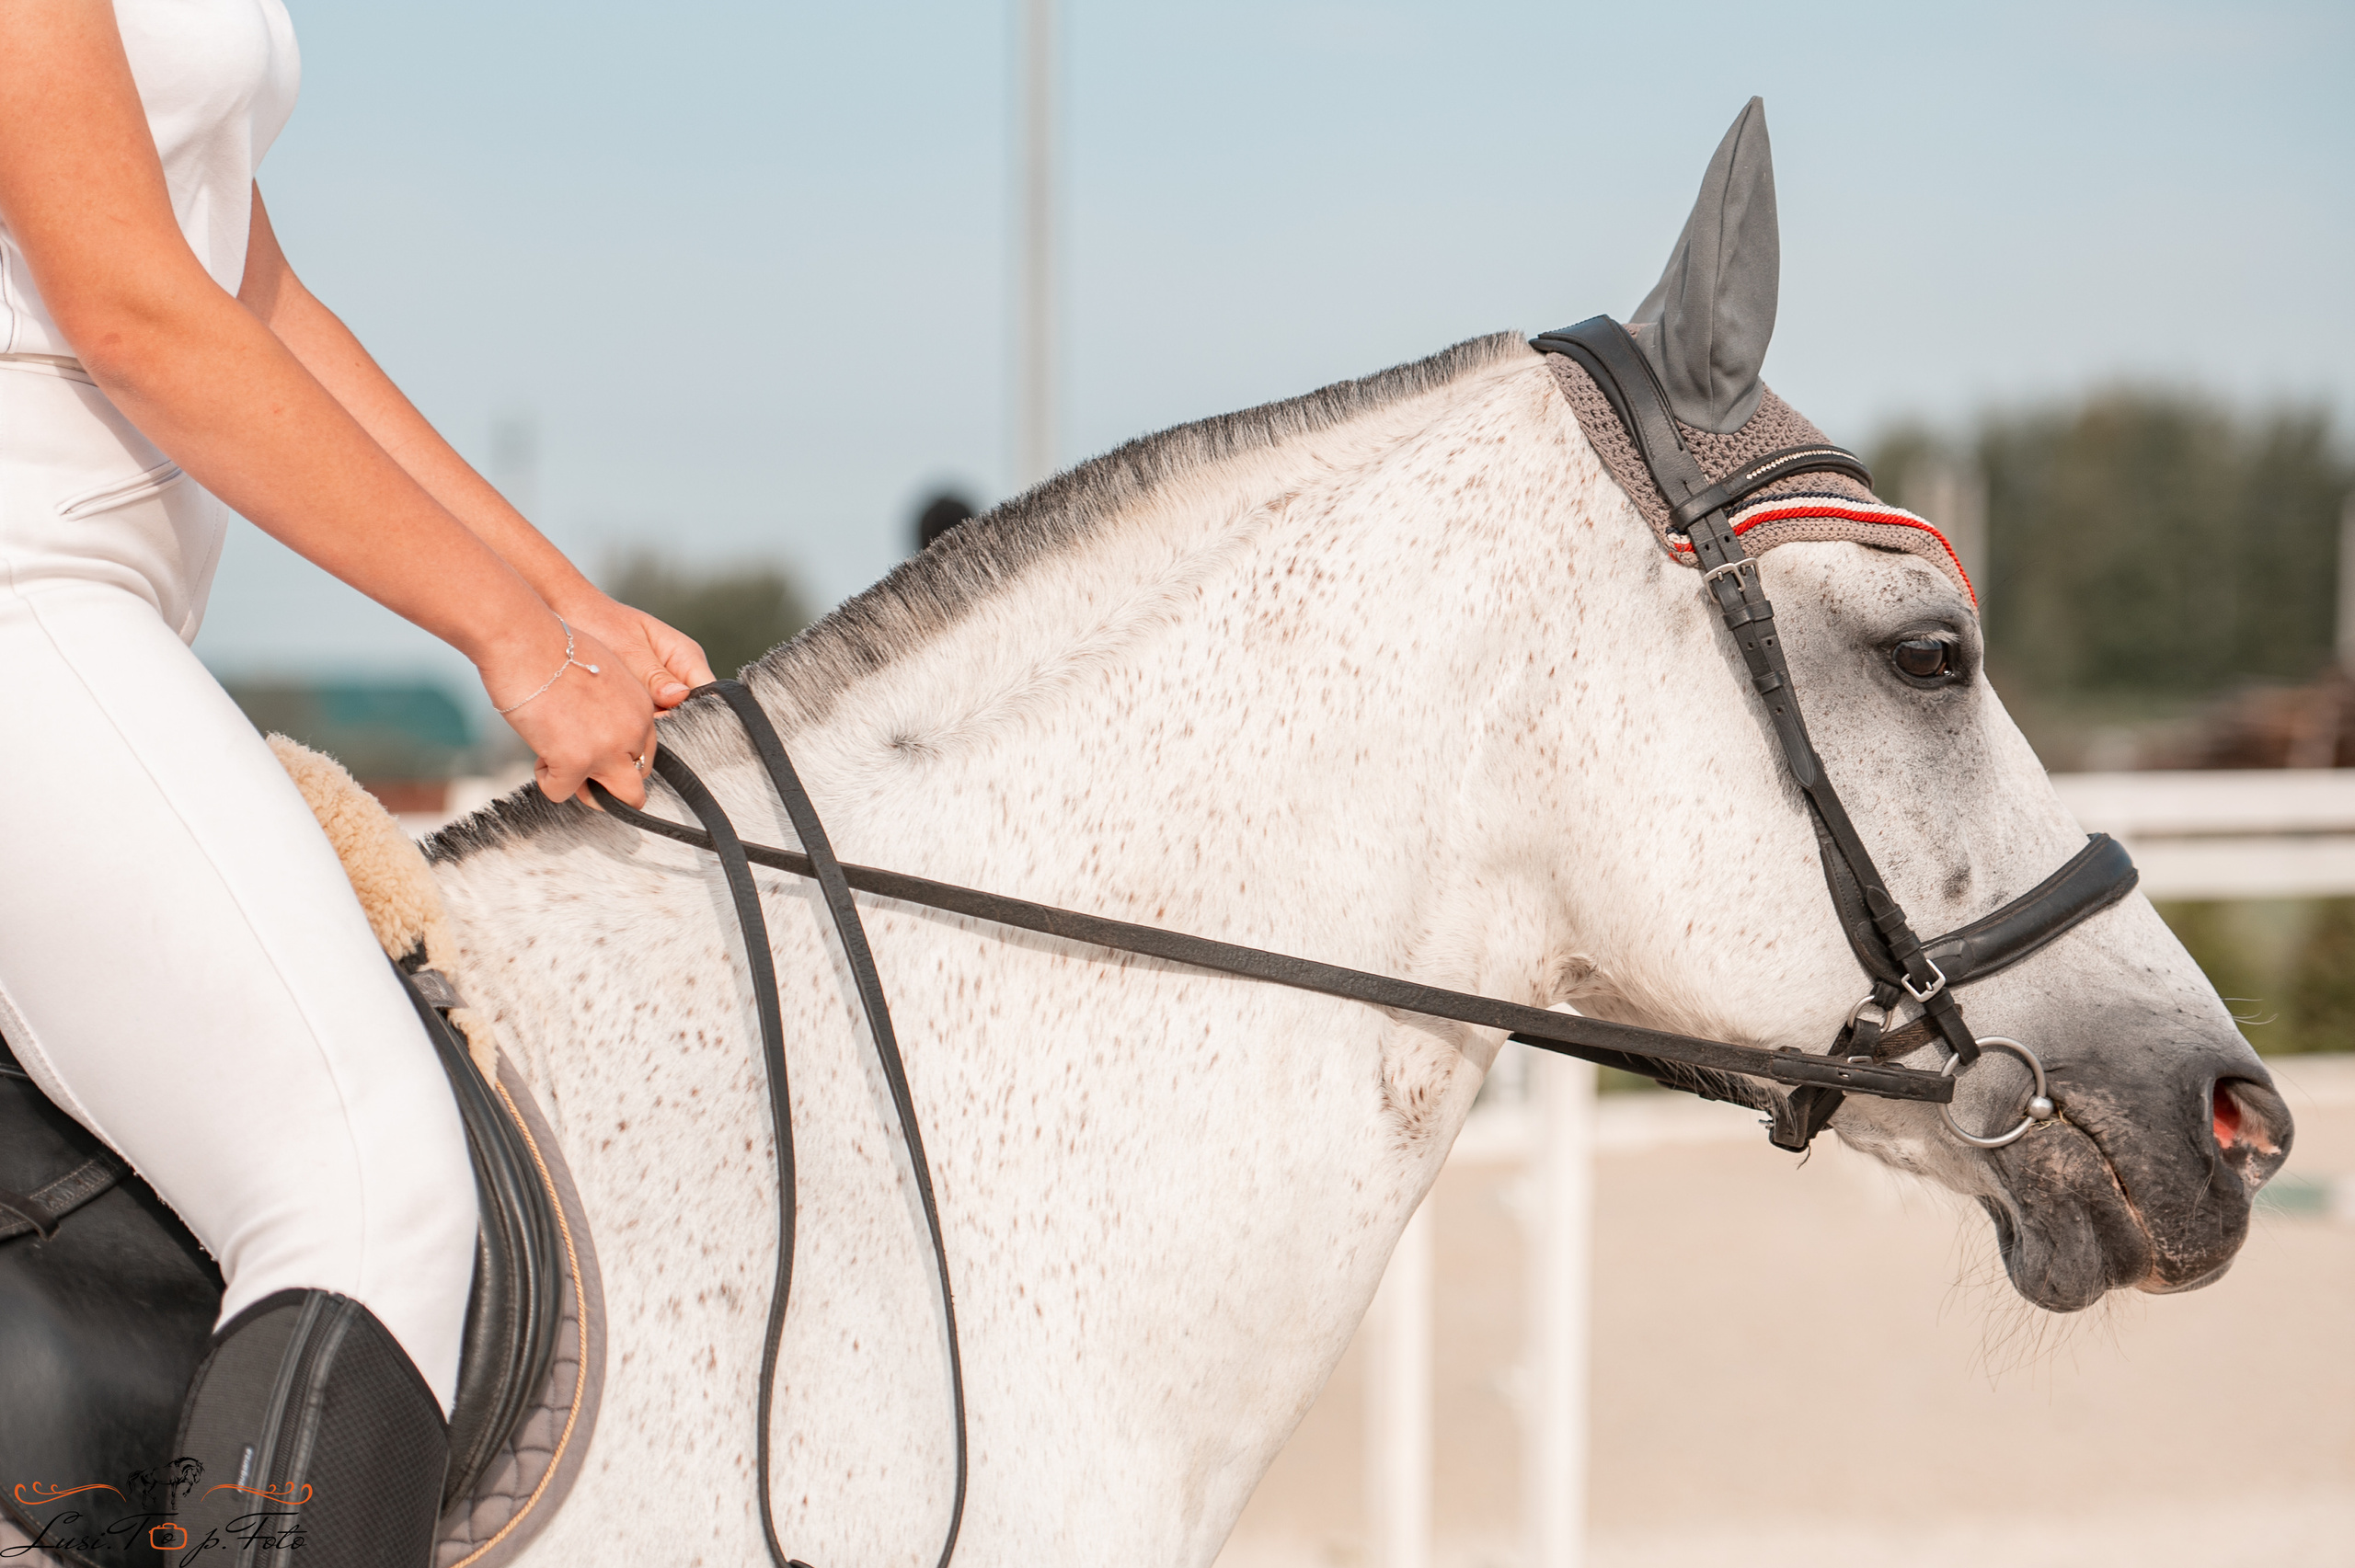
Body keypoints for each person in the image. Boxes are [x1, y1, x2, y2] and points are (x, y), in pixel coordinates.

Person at [0, 2, 717, 1559]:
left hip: (88, 607)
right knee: (369, 1178)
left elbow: (246, 291)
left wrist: (557, 598)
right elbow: (129, 310)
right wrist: (503, 640)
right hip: (18, 594)